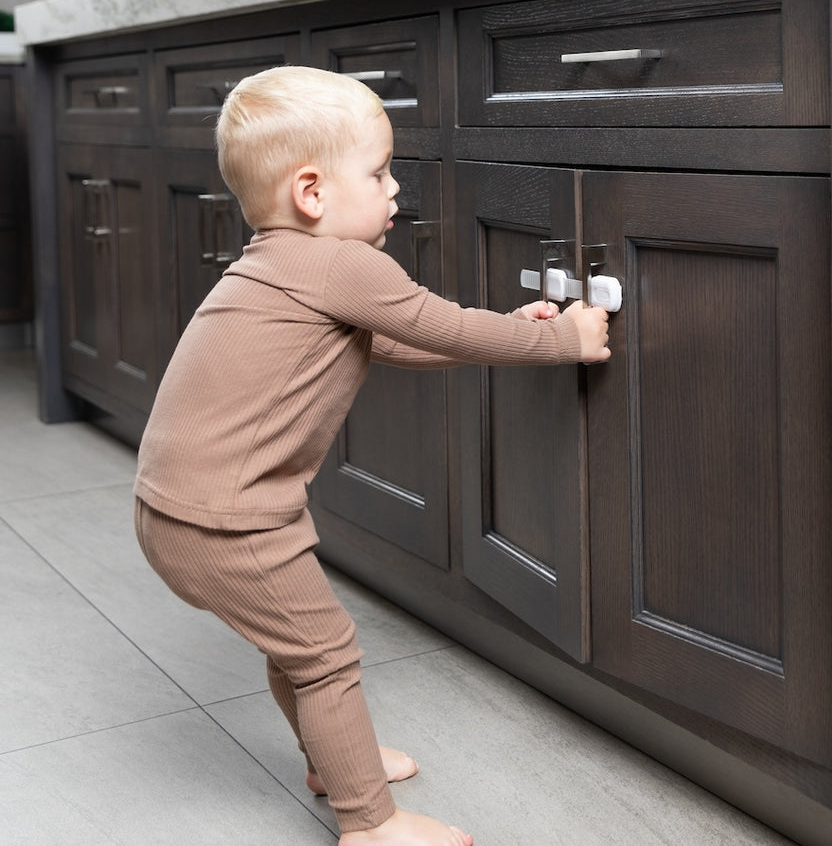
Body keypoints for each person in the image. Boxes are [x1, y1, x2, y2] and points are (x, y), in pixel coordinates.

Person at [132, 65, 609, 846]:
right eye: (381, 171)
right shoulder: (344, 264)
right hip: (229, 522)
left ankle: (334, 759)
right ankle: (370, 825)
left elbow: (397, 339)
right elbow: (442, 326)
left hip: (176, 511)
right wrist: (557, 338)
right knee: (323, 652)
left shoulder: (279, 265)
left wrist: (513, 328)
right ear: (313, 193)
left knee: (297, 643)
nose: (395, 190)